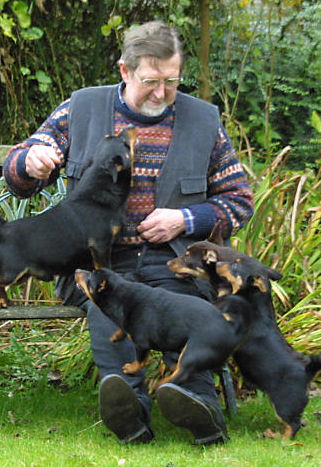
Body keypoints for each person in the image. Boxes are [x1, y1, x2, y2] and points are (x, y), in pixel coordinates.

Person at [4, 21, 254, 445]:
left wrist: (187, 219)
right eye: (150, 81)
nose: (161, 93)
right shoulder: (79, 109)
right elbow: (18, 172)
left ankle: (193, 401)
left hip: (171, 260)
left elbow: (239, 201)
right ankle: (128, 409)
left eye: (171, 82)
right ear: (124, 70)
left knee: (184, 304)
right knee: (110, 296)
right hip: (91, 262)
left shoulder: (204, 122)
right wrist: (29, 162)